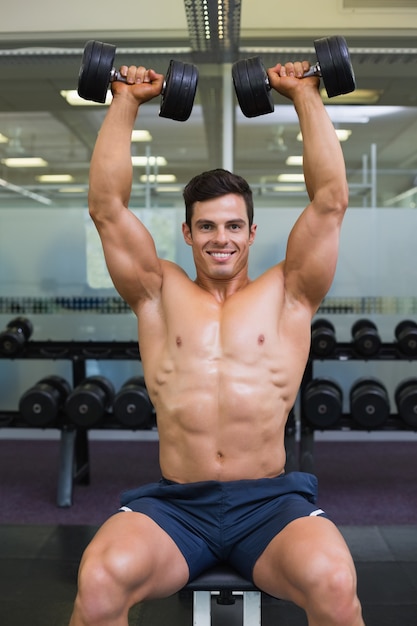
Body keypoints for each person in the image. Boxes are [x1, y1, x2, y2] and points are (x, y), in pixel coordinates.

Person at [69, 58, 364, 626]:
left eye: (233, 226)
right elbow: (107, 210)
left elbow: (330, 201)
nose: (220, 239)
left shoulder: (290, 292)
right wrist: (125, 101)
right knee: (100, 580)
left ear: (252, 232)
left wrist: (305, 94)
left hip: (270, 506)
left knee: (334, 582)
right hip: (178, 506)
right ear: (187, 232)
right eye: (206, 226)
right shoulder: (157, 292)